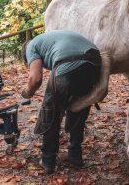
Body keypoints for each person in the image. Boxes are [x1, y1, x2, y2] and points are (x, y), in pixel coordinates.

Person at [21, 30, 102, 174]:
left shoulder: (31, 46)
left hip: (68, 62)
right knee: (78, 106)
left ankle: (48, 161)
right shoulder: (50, 38)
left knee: (51, 110)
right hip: (95, 63)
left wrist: (27, 92)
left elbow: (35, 79)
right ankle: (74, 155)